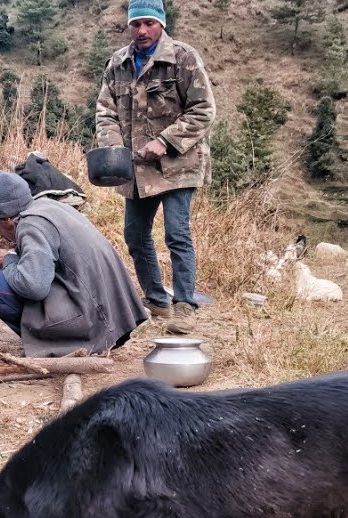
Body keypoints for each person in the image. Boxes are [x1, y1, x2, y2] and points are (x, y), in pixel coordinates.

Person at [96, 0, 216, 335]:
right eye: (136, 24)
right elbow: (105, 110)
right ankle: (155, 299)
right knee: (135, 235)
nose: (142, 31)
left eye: (149, 23)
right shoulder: (118, 63)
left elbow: (204, 110)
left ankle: (185, 306)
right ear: (129, 26)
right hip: (136, 167)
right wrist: (113, 145)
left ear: (160, 23)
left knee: (176, 233)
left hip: (179, 162)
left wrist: (165, 141)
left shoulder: (182, 58)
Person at [0, 172, 148, 358]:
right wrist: (13, 257)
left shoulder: (30, 225)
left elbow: (34, 287)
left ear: (6, 218)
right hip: (114, 316)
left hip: (94, 322)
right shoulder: (48, 206)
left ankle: (55, 345)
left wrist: (8, 261)